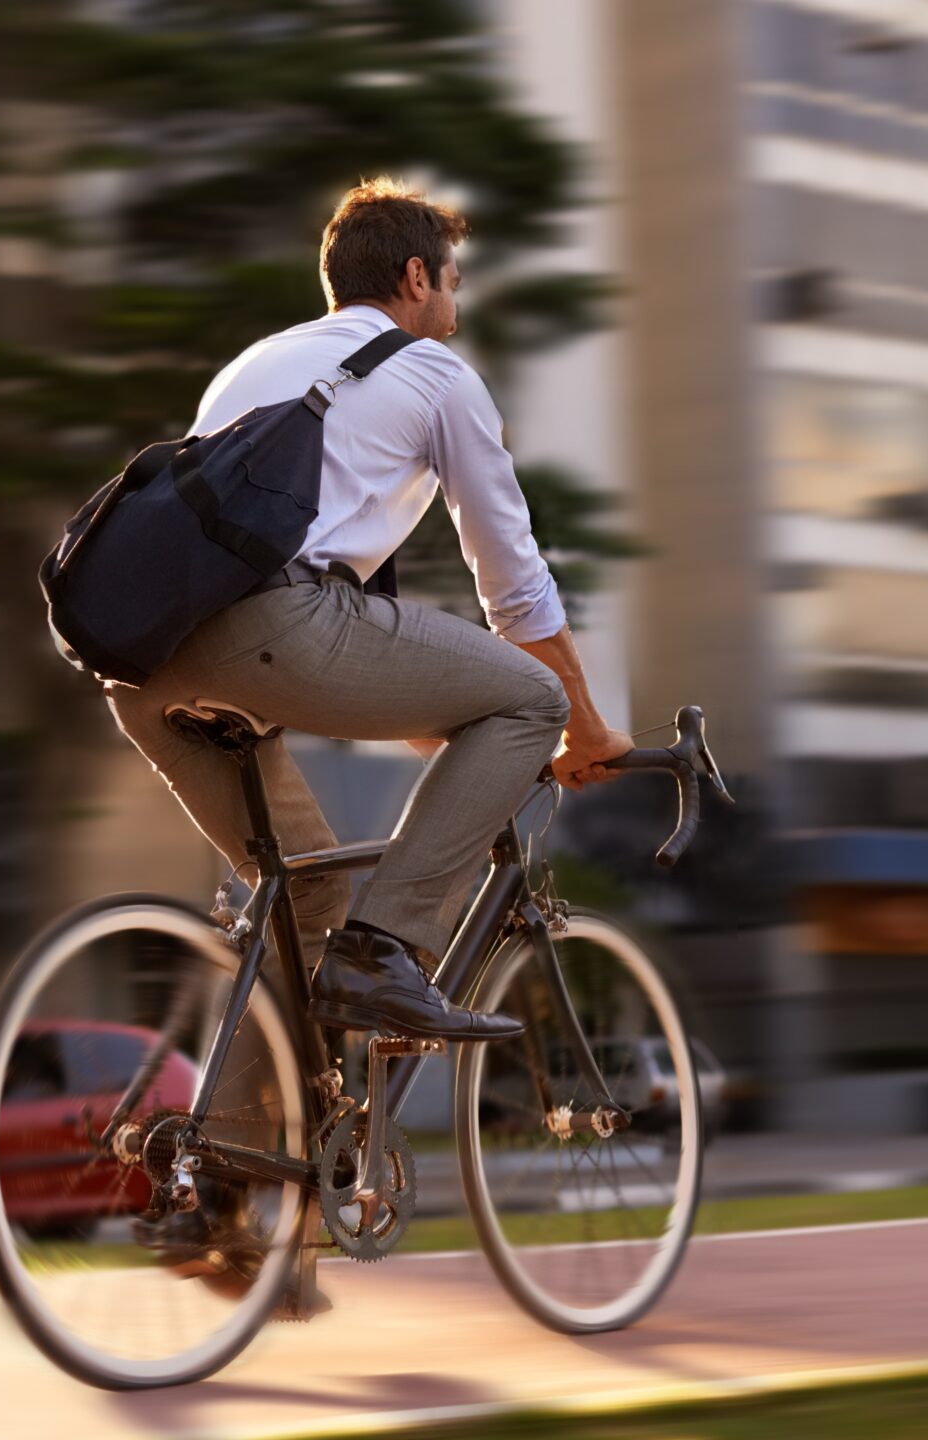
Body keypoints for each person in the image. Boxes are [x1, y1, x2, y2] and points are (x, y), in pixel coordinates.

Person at [104, 176, 635, 1044]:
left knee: (306, 888)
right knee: (528, 697)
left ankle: (232, 1168)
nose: (457, 305)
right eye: (455, 282)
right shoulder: (433, 377)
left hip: (146, 668)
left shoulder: (257, 362)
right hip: (271, 631)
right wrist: (578, 725)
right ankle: (383, 951)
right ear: (417, 277)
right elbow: (513, 579)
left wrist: (466, 745)